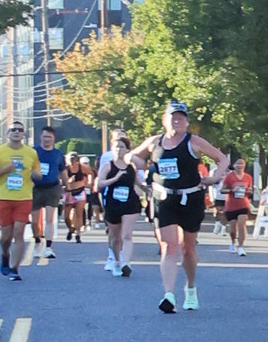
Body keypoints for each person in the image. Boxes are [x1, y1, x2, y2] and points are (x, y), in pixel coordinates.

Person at [147, 103, 228, 314]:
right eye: (173, 117)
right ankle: (168, 295)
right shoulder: (156, 142)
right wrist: (136, 166)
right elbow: (133, 156)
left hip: (190, 198)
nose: (177, 121)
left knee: (187, 248)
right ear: (164, 120)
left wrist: (213, 178)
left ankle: (190, 288)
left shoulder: (193, 141)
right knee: (169, 245)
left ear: (187, 122)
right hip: (165, 199)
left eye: (181, 118)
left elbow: (222, 159)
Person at [0, 125, 36, 278]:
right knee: (6, 238)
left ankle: (15, 269)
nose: (16, 132)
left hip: (24, 198)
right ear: (7, 133)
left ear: (24, 134)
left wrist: (36, 175)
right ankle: (5, 254)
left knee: (19, 233)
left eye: (20, 130)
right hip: (4, 198)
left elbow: (38, 172)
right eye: (13, 130)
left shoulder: (31, 152)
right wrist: (5, 169)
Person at [96, 131, 142, 276]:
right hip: (113, 204)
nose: (118, 149)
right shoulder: (108, 166)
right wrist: (115, 178)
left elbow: (138, 182)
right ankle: (116, 261)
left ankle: (125, 263)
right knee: (116, 237)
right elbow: (99, 184)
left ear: (127, 150)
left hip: (130, 203)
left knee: (127, 234)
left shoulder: (131, 166)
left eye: (122, 147)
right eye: (116, 147)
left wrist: (147, 188)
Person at [28, 124, 63, 263]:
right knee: (35, 220)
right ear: (40, 137)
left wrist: (68, 187)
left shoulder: (58, 154)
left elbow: (62, 171)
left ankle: (48, 247)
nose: (47, 139)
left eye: (49, 137)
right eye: (44, 137)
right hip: (36, 188)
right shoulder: (33, 151)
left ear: (53, 138)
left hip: (52, 188)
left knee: (49, 219)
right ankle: (37, 239)